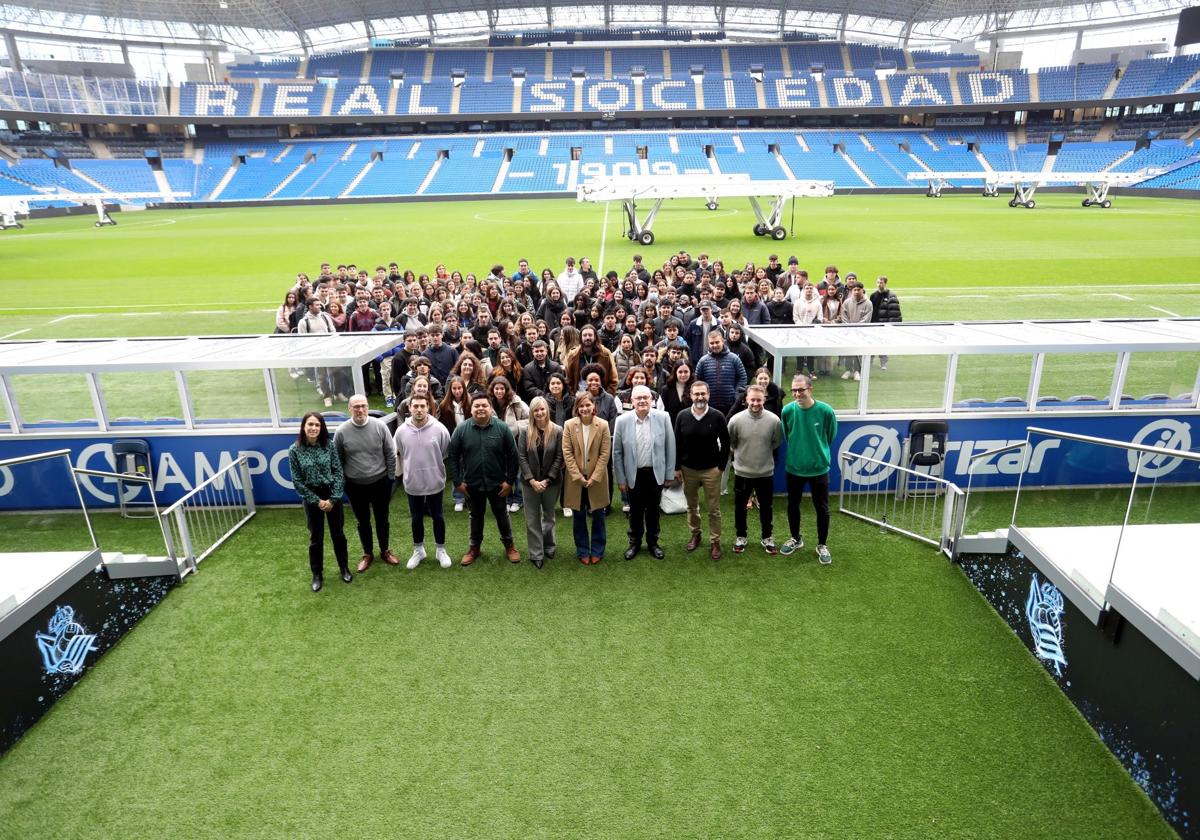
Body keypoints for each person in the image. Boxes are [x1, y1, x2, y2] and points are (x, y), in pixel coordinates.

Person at [448, 393, 521, 566]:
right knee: (475, 516)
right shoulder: (462, 429)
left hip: (498, 484)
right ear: (471, 409)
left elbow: (513, 456)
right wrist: (458, 482)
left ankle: (509, 546)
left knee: (502, 514)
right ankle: (474, 548)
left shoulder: (502, 428)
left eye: (484, 406)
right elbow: (452, 456)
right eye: (477, 406)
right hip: (472, 484)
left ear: (490, 408)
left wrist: (509, 482)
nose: (480, 408)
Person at [288, 412, 352, 592]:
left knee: (338, 534)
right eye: (310, 424)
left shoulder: (329, 446)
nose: (313, 428)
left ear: (321, 427)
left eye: (317, 425)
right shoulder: (294, 450)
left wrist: (332, 499)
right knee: (316, 538)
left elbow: (338, 473)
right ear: (303, 427)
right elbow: (297, 481)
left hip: (332, 494)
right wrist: (317, 501)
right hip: (311, 497)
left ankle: (344, 568)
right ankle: (317, 574)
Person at [334, 395, 398, 572]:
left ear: (368, 407)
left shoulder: (380, 426)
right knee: (362, 521)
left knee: (382, 519)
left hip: (380, 482)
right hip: (355, 486)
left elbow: (390, 454)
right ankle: (367, 553)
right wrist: (344, 482)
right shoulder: (341, 431)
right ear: (349, 409)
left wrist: (390, 478)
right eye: (356, 407)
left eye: (363, 406)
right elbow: (337, 460)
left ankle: (385, 550)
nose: (360, 410)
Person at [780, 373, 838, 565]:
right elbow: (788, 436)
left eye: (801, 390)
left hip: (819, 469)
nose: (797, 393)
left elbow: (829, 436)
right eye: (794, 390)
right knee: (792, 505)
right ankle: (796, 538)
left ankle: (822, 544)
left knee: (822, 508)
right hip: (794, 468)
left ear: (810, 389)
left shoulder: (826, 411)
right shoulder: (787, 411)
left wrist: (816, 454)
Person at [612, 385, 675, 561]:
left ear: (652, 400)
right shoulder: (622, 421)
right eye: (638, 398)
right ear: (631, 401)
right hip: (633, 475)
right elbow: (617, 452)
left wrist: (669, 474)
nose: (642, 401)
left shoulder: (663, 417)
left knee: (654, 510)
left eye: (645, 398)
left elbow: (670, 447)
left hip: (656, 474)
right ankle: (635, 543)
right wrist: (621, 478)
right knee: (635, 511)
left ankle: (653, 543)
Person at [393, 393, 453, 570]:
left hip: (435, 481)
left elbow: (444, 452)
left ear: (428, 408)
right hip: (413, 483)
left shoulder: (440, 429)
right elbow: (402, 453)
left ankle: (440, 550)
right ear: (409, 408)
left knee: (438, 516)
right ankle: (419, 550)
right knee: (416, 517)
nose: (419, 410)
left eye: (422, 406)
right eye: (415, 406)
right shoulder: (401, 432)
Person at [674, 380, 729, 560]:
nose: (700, 397)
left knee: (714, 509)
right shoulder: (682, 416)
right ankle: (695, 534)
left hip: (711, 470)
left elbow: (726, 443)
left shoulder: (718, 416)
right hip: (688, 469)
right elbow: (677, 443)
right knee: (692, 506)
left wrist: (720, 467)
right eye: (696, 394)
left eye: (703, 394)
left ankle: (715, 541)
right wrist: (677, 467)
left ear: (708, 395)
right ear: (690, 396)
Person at [727, 384, 783, 555]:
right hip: (742, 472)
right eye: (752, 400)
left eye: (759, 400)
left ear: (764, 399)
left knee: (767, 506)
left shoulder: (774, 421)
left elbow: (776, 442)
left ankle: (767, 537)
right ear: (746, 400)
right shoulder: (736, 420)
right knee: (740, 507)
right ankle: (741, 536)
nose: (756, 403)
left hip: (765, 472)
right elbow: (732, 442)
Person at [562, 392, 611, 565]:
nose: (584, 409)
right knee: (579, 515)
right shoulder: (569, 425)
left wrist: (594, 477)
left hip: (596, 479)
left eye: (587, 405)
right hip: (576, 480)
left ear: (593, 406)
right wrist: (578, 476)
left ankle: (597, 549)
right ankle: (582, 550)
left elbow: (605, 453)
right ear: (577, 408)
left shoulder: (603, 425)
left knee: (598, 514)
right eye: (581, 406)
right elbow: (567, 453)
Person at [516, 396, 564, 569]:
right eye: (535, 410)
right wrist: (532, 480)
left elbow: (560, 457)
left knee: (549, 514)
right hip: (530, 483)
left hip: (552, 482)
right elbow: (521, 457)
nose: (539, 413)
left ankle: (549, 545)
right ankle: (536, 553)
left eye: (542, 409)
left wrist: (548, 479)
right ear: (531, 412)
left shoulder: (558, 430)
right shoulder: (524, 430)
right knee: (532, 518)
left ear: (547, 410)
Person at [694, 330, 747, 418]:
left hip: (730, 404)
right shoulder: (703, 361)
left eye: (717, 342)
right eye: (712, 343)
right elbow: (697, 380)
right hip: (709, 405)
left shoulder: (734, 359)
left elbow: (743, 377)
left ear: (723, 341)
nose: (714, 345)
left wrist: (736, 394)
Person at [839, 281, 873, 380]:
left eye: (859, 290)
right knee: (848, 351)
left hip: (862, 333)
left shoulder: (868, 303)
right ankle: (848, 370)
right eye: (855, 290)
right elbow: (843, 316)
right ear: (852, 291)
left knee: (859, 351)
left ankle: (857, 371)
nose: (856, 292)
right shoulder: (847, 302)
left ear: (862, 290)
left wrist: (857, 328)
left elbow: (866, 319)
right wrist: (848, 327)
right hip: (848, 332)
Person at [869, 275, 902, 371]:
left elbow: (895, 312)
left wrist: (892, 326)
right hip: (873, 324)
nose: (879, 284)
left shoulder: (891, 296)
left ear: (885, 283)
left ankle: (883, 363)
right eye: (878, 282)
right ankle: (870, 361)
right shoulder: (873, 295)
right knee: (871, 344)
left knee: (882, 345)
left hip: (884, 326)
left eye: (881, 283)